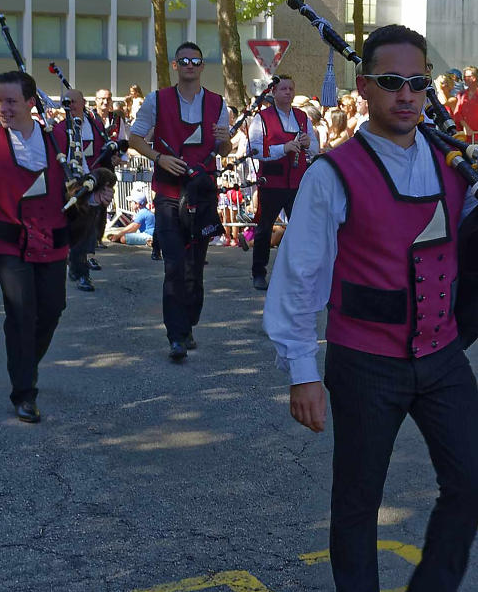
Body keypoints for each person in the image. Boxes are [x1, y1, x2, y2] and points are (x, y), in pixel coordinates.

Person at [265, 23, 478, 592]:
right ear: (364, 88)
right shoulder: (332, 173)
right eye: (390, 82)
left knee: (471, 481)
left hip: (441, 352)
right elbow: (299, 277)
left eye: (417, 83)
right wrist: (303, 371)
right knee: (358, 495)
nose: (406, 95)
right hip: (363, 359)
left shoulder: (453, 161)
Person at [0, 71, 73, 423]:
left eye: (10, 101)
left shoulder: (58, 139)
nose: (2, 108)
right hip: (10, 238)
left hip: (53, 235)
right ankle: (24, 391)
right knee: (21, 313)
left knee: (52, 309)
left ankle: (24, 363)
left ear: (30, 103)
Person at [127, 40, 230, 362]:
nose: (189, 65)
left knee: (195, 268)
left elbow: (223, 151)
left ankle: (188, 325)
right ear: (175, 65)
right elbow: (134, 138)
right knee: (174, 267)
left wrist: (225, 143)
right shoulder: (157, 100)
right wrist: (159, 158)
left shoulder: (217, 102)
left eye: (195, 61)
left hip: (201, 195)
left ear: (201, 66)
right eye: (183, 60)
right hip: (169, 197)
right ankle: (176, 335)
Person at [246, 75, 312, 290]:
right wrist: (283, 149)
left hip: (297, 183)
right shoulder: (261, 118)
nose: (288, 92)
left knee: (299, 230)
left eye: (291, 89)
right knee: (264, 229)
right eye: (283, 89)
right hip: (271, 182)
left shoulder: (302, 117)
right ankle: (259, 273)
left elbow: (315, 148)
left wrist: (308, 143)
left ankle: (297, 274)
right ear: (273, 93)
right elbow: (253, 150)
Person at [61, 88, 106, 293]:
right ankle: (74, 263)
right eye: (66, 102)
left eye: (73, 101)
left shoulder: (96, 127)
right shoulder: (59, 129)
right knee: (72, 229)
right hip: (66, 184)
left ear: (83, 102)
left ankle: (82, 272)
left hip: (89, 181)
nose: (70, 105)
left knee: (86, 229)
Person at [455, 66, 478, 145]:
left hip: (476, 139)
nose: (464, 79)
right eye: (464, 77)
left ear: (474, 78)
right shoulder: (461, 95)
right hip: (462, 138)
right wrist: (465, 126)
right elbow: (457, 113)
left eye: (467, 77)